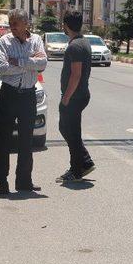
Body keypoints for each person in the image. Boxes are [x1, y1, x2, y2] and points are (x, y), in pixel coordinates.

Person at [0, 9, 47, 194]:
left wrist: (17, 61)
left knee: (26, 139)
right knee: (3, 139)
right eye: (10, 23)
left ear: (26, 24)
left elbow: (43, 64)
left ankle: (24, 181)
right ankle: (2, 181)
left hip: (28, 95)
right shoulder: (5, 41)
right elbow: (3, 68)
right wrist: (30, 64)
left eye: (16, 23)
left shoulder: (36, 40)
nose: (12, 27)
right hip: (9, 94)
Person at [56, 11, 95, 183]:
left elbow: (76, 75)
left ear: (66, 25)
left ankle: (76, 170)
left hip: (74, 97)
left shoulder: (75, 46)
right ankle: (83, 162)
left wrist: (66, 98)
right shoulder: (83, 41)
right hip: (79, 96)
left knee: (71, 132)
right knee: (68, 130)